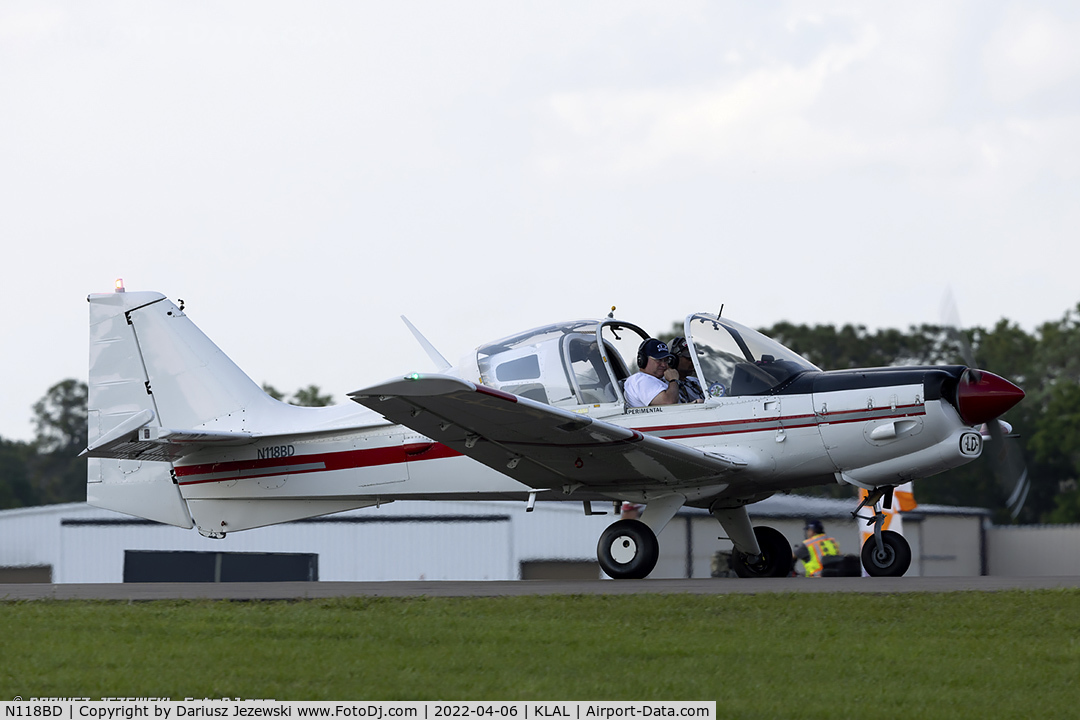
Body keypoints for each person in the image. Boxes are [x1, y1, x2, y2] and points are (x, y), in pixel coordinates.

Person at [623, 338, 680, 407]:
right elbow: (668, 402)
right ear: (643, 359)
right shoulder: (641, 380)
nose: (664, 365)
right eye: (658, 360)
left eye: (666, 360)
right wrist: (673, 380)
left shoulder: (660, 379)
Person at [669, 337, 704, 403]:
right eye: (689, 358)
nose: (693, 361)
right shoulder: (666, 386)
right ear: (673, 360)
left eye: (695, 357)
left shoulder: (696, 382)